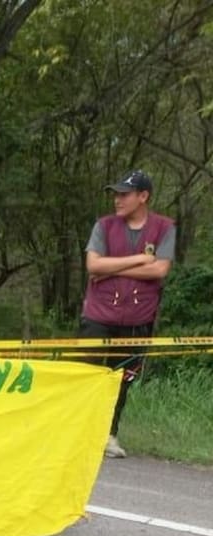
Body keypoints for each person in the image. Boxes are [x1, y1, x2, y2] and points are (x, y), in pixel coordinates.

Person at [80, 169, 176, 458]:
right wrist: (139, 260)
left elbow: (160, 269)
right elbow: (93, 266)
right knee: (87, 374)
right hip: (99, 314)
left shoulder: (164, 227)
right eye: (116, 194)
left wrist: (113, 266)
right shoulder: (104, 226)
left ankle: (109, 434)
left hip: (137, 318)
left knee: (123, 378)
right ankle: (79, 430)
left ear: (143, 196)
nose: (117, 200)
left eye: (124, 194)